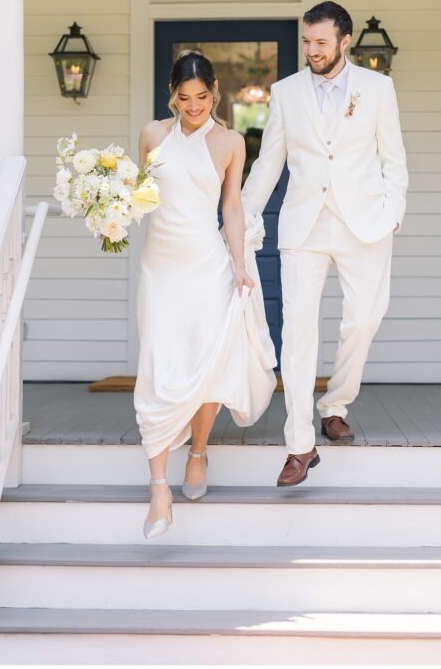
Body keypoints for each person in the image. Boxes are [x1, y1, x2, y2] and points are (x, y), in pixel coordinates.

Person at [242, 1, 408, 487]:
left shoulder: (378, 89)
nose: (312, 51)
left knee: (363, 320)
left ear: (344, 42)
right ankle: (299, 445)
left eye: (320, 42)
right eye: (307, 42)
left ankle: (334, 403)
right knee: (296, 334)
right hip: (304, 226)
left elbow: (393, 158)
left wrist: (393, 211)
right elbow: (268, 164)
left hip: (366, 223)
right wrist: (243, 217)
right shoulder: (285, 92)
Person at [134, 50, 276, 538]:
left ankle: (197, 453)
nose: (192, 106)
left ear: (214, 90)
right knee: (158, 363)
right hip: (161, 268)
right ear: (171, 94)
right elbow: (141, 195)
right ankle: (158, 489)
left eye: (201, 96)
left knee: (207, 363)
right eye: (183, 97)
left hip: (207, 266)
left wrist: (239, 265)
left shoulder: (231, 142)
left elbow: (232, 208)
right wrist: (109, 210)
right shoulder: (153, 135)